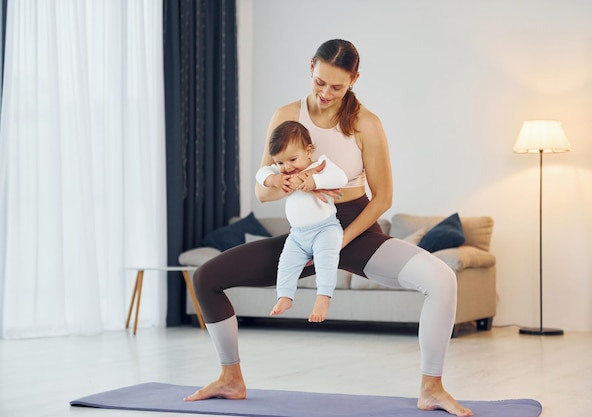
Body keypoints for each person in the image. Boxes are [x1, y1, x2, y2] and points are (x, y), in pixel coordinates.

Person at [185, 39, 473, 416]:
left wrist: (339, 243)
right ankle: (230, 379)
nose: (325, 93)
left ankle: (431, 388)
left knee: (441, 279)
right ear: (311, 67)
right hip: (304, 234)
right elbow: (261, 189)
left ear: (354, 79)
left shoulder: (365, 123)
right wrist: (279, 184)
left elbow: (383, 198)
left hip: (355, 230)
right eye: (320, 82)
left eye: (337, 86)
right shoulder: (287, 114)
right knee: (206, 276)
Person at [256, 120, 347, 322]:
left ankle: (323, 297)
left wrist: (313, 181)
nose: (286, 167)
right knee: (286, 264)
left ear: (308, 151)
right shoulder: (282, 175)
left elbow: (340, 177)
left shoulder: (319, 165)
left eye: (292, 159)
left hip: (326, 229)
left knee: (326, 261)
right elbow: (261, 173)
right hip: (297, 235)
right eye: (280, 163)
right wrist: (274, 180)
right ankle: (285, 297)